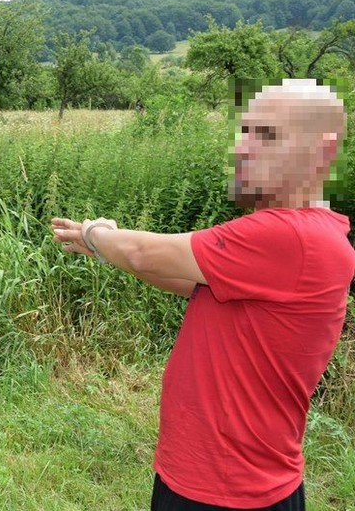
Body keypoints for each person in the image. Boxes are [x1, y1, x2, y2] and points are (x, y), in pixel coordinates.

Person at [51, 79, 354, 510]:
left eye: (267, 135)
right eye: (245, 131)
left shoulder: (288, 235)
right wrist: (108, 252)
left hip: (227, 490)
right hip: (219, 476)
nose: (244, 147)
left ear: (322, 152)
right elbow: (188, 279)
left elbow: (142, 252)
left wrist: (99, 233)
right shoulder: (310, 237)